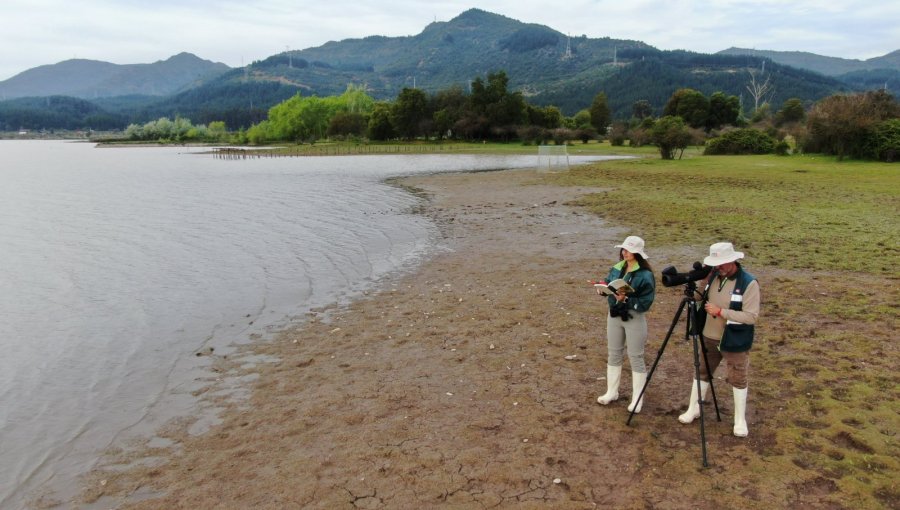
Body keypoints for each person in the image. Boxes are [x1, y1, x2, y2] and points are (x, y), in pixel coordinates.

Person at [677, 242, 760, 437]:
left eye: (721, 263)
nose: (718, 267)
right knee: (702, 372)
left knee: (738, 378)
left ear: (733, 260)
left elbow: (751, 316)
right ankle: (694, 409)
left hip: (734, 340)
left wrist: (721, 312)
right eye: (716, 263)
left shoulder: (749, 283)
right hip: (708, 336)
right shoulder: (712, 275)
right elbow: (699, 299)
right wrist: (701, 284)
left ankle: (740, 420)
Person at [596, 236, 656, 413]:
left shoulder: (646, 275)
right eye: (623, 249)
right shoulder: (617, 267)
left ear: (637, 253)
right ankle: (611, 392)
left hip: (633, 317)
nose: (624, 252)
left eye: (628, 250)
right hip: (614, 315)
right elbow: (609, 282)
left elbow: (646, 301)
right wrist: (603, 289)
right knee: (613, 353)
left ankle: (637, 398)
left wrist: (627, 298)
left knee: (635, 356)